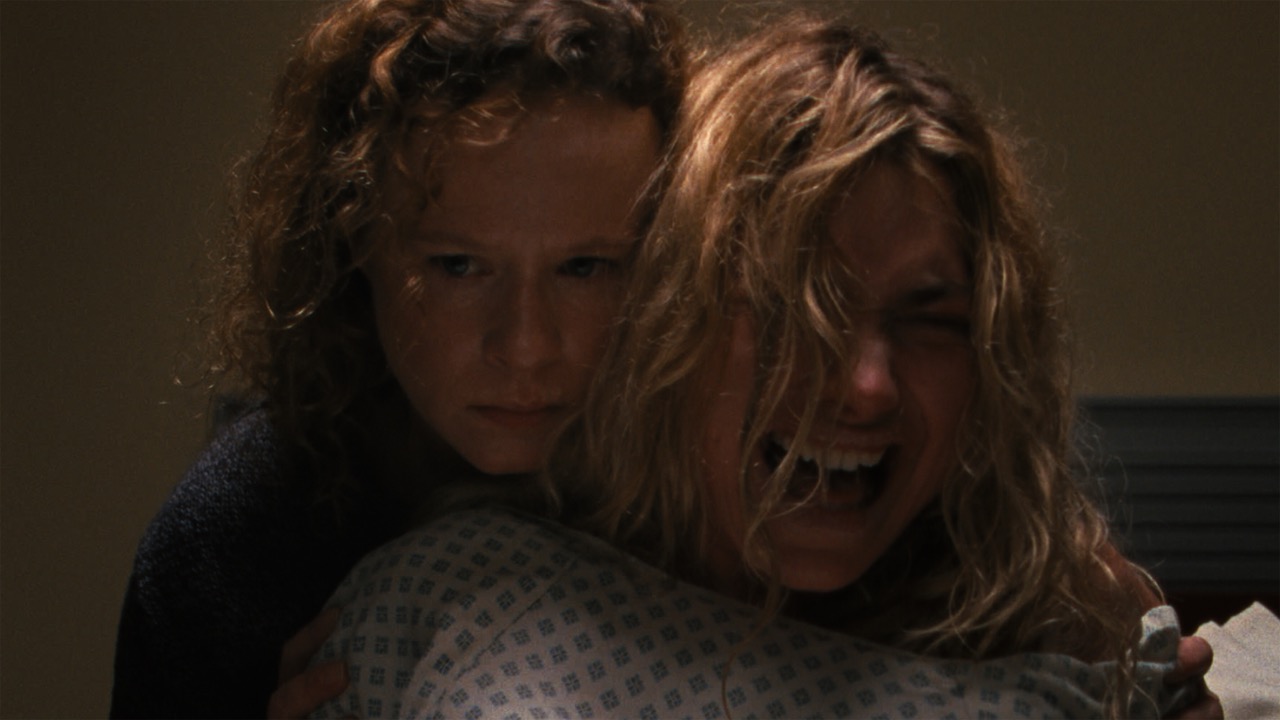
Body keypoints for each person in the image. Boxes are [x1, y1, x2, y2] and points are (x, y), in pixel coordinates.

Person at [308, 13, 1217, 720]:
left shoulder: (1063, 628)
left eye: (930, 321)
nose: (865, 386)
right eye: (794, 309)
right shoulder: (453, 581)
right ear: (670, 318)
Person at [109, 0, 686, 717]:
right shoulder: (234, 546)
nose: (526, 346)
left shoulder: (732, 488)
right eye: (457, 266)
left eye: (585, 268)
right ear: (355, 237)